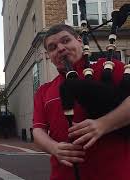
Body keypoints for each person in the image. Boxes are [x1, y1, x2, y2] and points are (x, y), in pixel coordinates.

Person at [32, 24, 130, 180]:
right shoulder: (44, 91)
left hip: (114, 173)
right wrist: (55, 148)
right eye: (52, 47)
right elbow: (38, 131)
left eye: (66, 40)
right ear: (49, 56)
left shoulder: (108, 68)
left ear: (79, 41)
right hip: (63, 175)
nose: (60, 48)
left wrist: (103, 124)